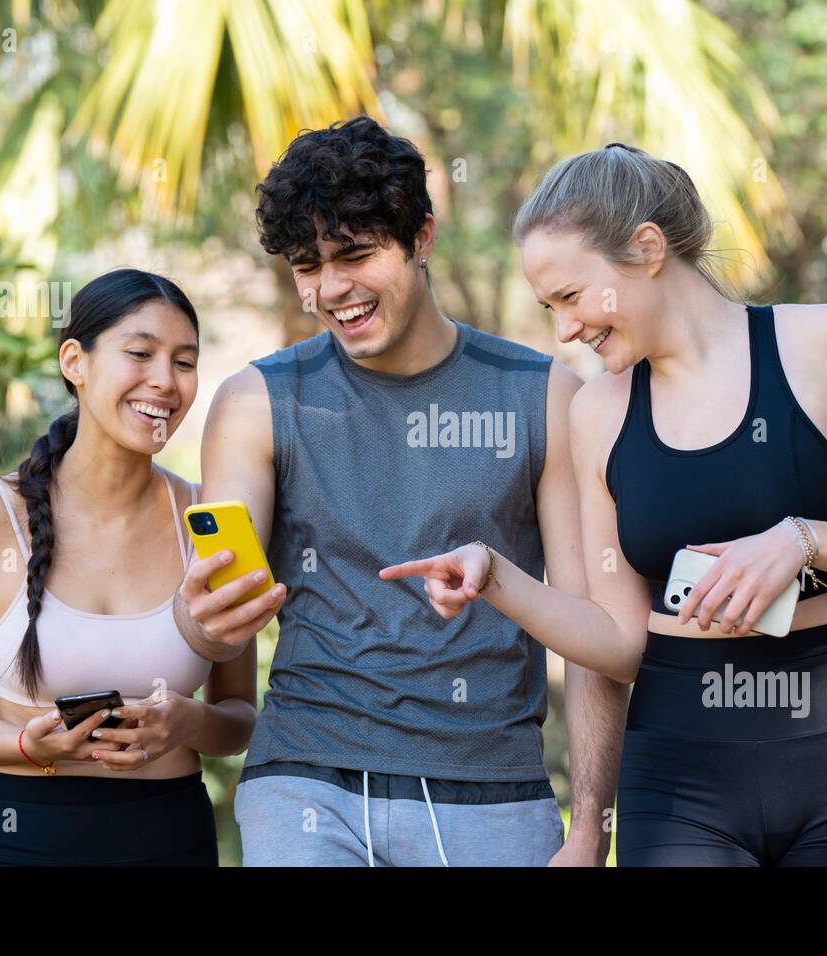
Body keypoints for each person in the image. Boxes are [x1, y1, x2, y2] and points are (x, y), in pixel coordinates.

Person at [382, 143, 827, 866]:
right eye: (548, 307)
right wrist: (496, 578)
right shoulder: (597, 414)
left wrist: (804, 541)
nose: (565, 329)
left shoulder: (821, 343)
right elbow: (619, 644)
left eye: (570, 296)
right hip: (680, 780)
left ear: (648, 249)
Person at [174, 116, 627, 866]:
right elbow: (219, 628)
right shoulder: (256, 401)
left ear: (421, 237)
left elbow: (591, 637)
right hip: (305, 782)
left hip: (493, 793)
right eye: (307, 265)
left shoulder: (543, 396)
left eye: (354, 254)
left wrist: (589, 832)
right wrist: (202, 617)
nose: (331, 290)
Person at [0, 269, 255, 866]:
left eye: (184, 362)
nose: (165, 382)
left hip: (169, 835)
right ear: (75, 360)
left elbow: (239, 719)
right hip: (13, 836)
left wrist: (185, 723)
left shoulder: (210, 522)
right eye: (141, 353)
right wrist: (26, 743)